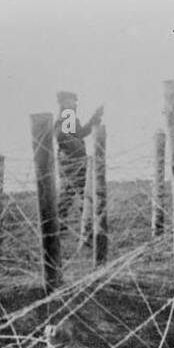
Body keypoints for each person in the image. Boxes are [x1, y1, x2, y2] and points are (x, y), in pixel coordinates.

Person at [55, 90, 104, 246]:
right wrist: (79, 154)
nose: (75, 103)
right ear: (63, 103)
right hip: (72, 161)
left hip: (71, 161)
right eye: (71, 101)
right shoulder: (68, 115)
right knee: (77, 194)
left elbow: (79, 134)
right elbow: (65, 138)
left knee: (71, 195)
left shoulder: (69, 116)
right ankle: (85, 229)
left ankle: (63, 227)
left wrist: (94, 118)